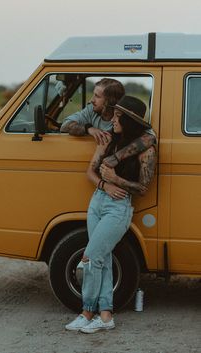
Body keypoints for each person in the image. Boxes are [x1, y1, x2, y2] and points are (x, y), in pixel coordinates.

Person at [65, 95, 156, 334]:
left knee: (90, 257)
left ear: (129, 121)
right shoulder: (109, 139)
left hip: (119, 207)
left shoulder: (146, 149)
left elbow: (143, 189)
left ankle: (86, 313)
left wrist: (117, 180)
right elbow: (90, 171)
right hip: (97, 201)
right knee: (102, 259)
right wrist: (105, 185)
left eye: (118, 117)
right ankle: (105, 316)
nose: (112, 120)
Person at [60, 77, 156, 166]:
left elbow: (150, 138)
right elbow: (64, 126)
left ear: (109, 101)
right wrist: (88, 128)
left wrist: (116, 157)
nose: (91, 100)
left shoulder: (124, 119)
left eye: (97, 96)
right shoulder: (91, 110)